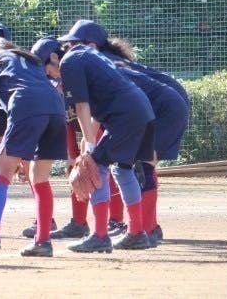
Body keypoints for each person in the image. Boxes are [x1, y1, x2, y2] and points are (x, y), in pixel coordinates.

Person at [0, 32, 67, 259]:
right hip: (56, 107)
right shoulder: (26, 57)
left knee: (1, 173)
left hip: (25, 103)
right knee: (40, 177)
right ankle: (43, 241)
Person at [57, 19, 156, 253]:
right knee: (123, 169)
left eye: (68, 44)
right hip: (143, 110)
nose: (65, 48)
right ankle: (137, 233)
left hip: (125, 115)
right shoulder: (96, 57)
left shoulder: (70, 60)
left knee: (97, 167)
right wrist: (89, 141)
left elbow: (82, 106)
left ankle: (100, 235)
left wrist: (90, 149)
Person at [85, 26, 190, 245]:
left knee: (141, 167)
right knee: (137, 166)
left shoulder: (98, 62)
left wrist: (89, 148)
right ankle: (147, 227)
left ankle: (145, 229)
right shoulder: (106, 59)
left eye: (74, 44)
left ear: (91, 45)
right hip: (165, 104)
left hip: (163, 108)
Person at [30, 36, 91, 241]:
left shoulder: (79, 74)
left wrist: (88, 144)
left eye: (46, 68)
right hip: (76, 127)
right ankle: (79, 223)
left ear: (55, 57)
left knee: (103, 168)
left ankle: (116, 221)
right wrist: (72, 154)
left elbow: (93, 113)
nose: (47, 74)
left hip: (103, 125)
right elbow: (66, 119)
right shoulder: (56, 85)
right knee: (75, 169)